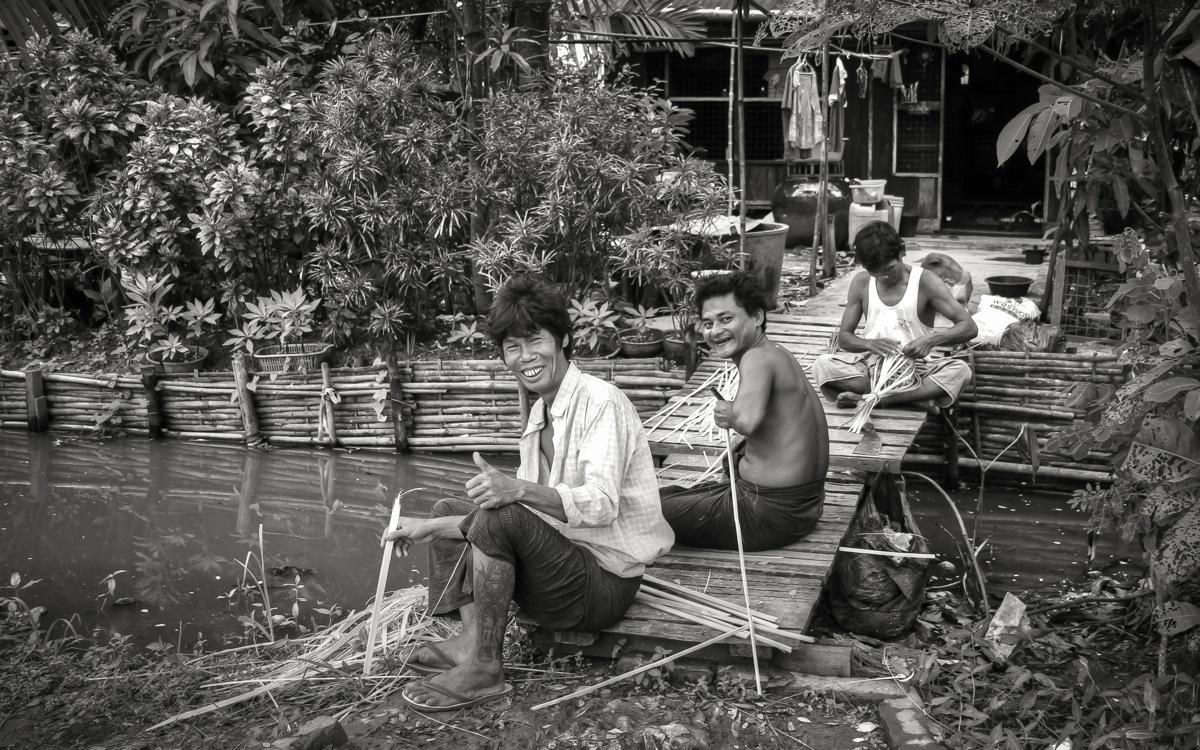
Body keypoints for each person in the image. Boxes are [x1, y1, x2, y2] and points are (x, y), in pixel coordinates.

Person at [384, 275, 674, 712]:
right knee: (452, 507)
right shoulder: (539, 415)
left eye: (534, 340)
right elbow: (522, 516)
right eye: (511, 347)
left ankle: (485, 669)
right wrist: (428, 526)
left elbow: (600, 504)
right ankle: (471, 640)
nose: (524, 357)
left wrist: (517, 488)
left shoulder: (601, 402)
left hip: (602, 585)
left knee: (500, 512)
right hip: (565, 564)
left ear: (562, 339)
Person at [659, 272, 829, 551]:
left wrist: (728, 413)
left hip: (768, 514)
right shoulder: (775, 352)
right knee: (667, 496)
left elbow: (746, 421)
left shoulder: (756, 357)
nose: (715, 331)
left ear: (757, 317)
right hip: (803, 508)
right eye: (707, 323)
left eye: (726, 319)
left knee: (644, 513)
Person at [813, 220, 977, 411]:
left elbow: (969, 326)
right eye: (875, 273)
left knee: (961, 371)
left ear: (902, 251)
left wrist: (930, 340)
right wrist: (868, 344)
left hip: (916, 369)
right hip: (871, 368)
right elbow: (844, 338)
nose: (883, 277)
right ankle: (912, 398)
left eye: (888, 269)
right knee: (822, 365)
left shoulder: (925, 281)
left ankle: (875, 399)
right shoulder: (861, 282)